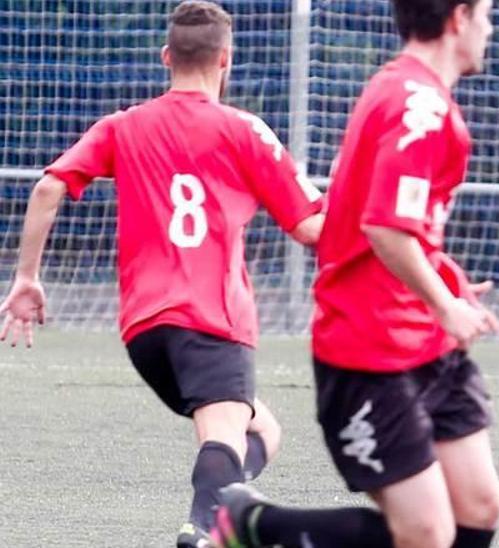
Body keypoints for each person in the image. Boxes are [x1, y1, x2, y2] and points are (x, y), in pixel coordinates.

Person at [0, 2, 325, 546]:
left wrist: (26, 277)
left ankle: (220, 517)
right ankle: (204, 529)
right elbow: (312, 228)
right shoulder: (244, 130)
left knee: (261, 429)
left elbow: (47, 188)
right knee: (222, 439)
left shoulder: (124, 126)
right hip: (211, 321)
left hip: (143, 331)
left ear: (166, 56)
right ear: (226, 59)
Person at [206, 1, 499, 547]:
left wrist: (447, 281)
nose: (491, 26)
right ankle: (252, 524)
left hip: (426, 345)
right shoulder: (419, 107)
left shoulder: (404, 89)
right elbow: (385, 228)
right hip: (368, 349)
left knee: (480, 506)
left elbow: (395, 223)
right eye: (484, 13)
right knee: (426, 534)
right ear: (458, 18)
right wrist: (445, 304)